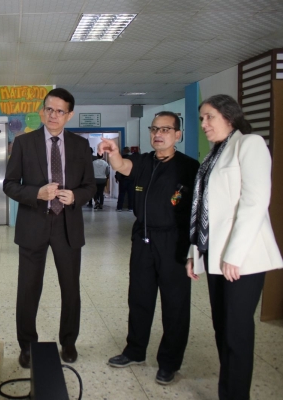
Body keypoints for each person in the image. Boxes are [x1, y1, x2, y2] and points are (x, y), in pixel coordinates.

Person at [186, 94, 283, 400]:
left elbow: (255, 202)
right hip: (215, 256)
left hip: (242, 259)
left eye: (209, 117)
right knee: (222, 328)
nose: (204, 124)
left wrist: (234, 255)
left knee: (237, 332)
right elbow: (201, 208)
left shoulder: (249, 144)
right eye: (201, 118)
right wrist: (194, 253)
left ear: (229, 117)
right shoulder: (214, 154)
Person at [98, 111, 199, 385]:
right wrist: (113, 151)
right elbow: (122, 166)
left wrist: (195, 249)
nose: (159, 133)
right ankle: (135, 350)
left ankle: (169, 362)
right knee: (139, 298)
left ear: (177, 135)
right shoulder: (144, 161)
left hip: (174, 242)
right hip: (142, 238)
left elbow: (198, 211)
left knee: (175, 305)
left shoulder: (190, 167)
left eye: (166, 129)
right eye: (155, 128)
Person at [3, 88, 96, 368]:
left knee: (70, 288)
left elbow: (90, 186)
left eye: (60, 111)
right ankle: (27, 345)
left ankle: (68, 342)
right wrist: (37, 194)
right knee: (28, 288)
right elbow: (9, 184)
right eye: (49, 109)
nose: (53, 115)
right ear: (42, 111)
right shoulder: (24, 143)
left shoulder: (80, 145)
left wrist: (76, 196)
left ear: (70, 115)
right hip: (34, 223)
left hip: (68, 226)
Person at [116, 147, 134, 212]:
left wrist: (117, 177)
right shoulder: (132, 159)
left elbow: (118, 169)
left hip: (123, 179)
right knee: (131, 194)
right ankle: (131, 207)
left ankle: (119, 207)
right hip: (130, 178)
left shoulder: (121, 158)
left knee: (121, 193)